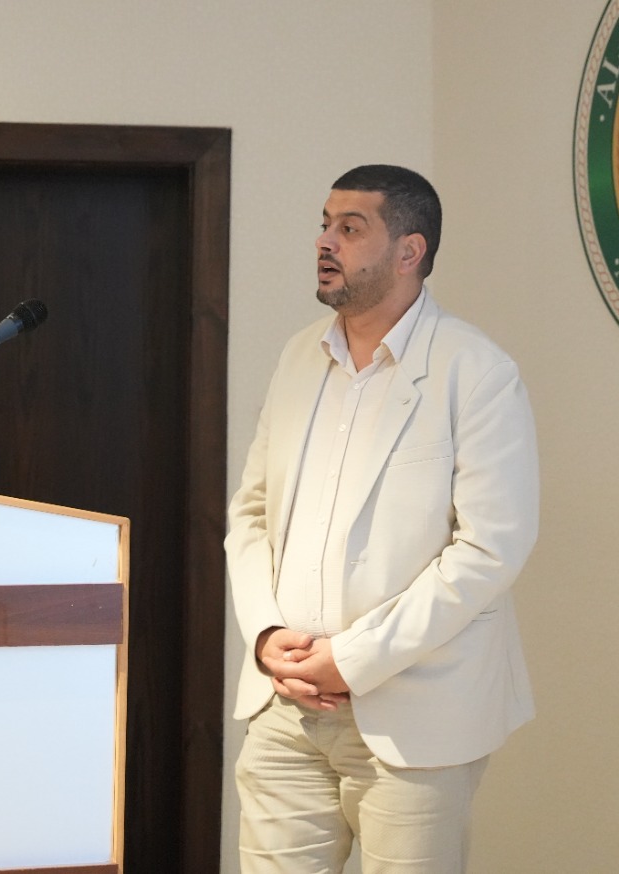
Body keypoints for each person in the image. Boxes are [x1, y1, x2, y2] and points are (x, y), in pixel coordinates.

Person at [224, 165, 540, 873]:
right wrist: (267, 634)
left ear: (409, 251)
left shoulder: (475, 370)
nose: (324, 241)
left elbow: (491, 548)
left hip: (418, 715)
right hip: (285, 707)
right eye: (325, 224)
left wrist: (352, 659)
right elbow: (251, 514)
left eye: (350, 228)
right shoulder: (299, 356)